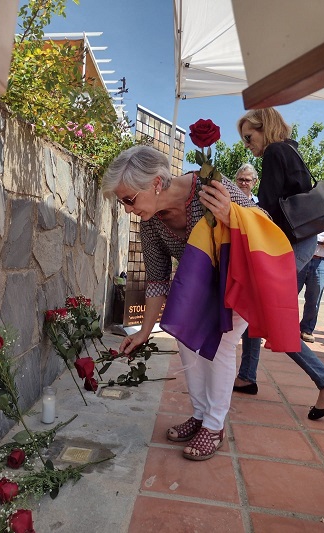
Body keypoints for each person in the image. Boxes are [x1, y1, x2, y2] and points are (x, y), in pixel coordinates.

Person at [102, 145, 260, 461]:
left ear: (156, 184)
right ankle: (201, 416)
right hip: (201, 290)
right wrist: (145, 331)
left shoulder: (208, 184)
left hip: (238, 281)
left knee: (222, 344)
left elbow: (264, 220)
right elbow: (157, 280)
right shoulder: (150, 222)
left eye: (130, 200)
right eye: (122, 203)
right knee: (188, 342)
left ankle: (215, 427)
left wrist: (232, 215)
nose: (128, 210)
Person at [237, 107, 324, 420]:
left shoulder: (276, 151)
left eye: (250, 137)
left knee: (271, 314)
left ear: (266, 128)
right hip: (300, 238)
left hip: (290, 242)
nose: (248, 144)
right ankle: (247, 375)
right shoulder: (291, 149)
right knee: (256, 306)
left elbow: (270, 206)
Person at [232, 163, 262, 395]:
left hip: (253, 271)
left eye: (248, 180)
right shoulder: (229, 202)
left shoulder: (261, 207)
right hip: (231, 269)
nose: (244, 183)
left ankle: (247, 376)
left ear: (255, 182)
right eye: (240, 179)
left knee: (252, 326)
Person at [298, 230, 324, 343]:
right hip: (301, 258)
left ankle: (306, 329)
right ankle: (278, 326)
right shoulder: (310, 213)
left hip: (321, 261)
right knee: (288, 296)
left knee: (314, 299)